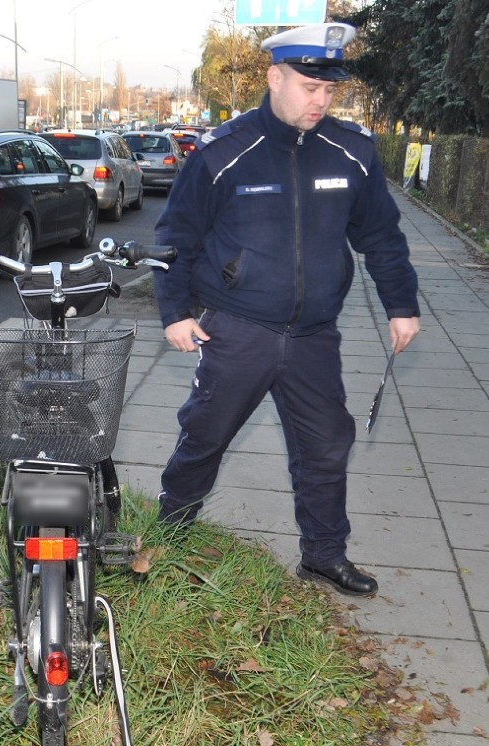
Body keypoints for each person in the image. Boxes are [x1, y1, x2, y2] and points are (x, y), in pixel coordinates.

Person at [152, 22, 421, 598]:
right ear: (275, 78)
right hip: (235, 330)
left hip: (314, 337)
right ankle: (170, 538)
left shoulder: (352, 151)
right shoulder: (224, 153)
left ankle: (324, 555)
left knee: (326, 445)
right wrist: (175, 313)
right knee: (204, 437)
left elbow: (382, 236)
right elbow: (175, 237)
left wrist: (401, 304)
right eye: (308, 86)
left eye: (330, 90)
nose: (320, 100)